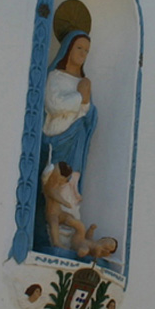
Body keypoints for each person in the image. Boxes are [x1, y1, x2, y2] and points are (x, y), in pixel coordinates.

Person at [38, 31, 99, 250]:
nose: (83, 54)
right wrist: (80, 96)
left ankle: (70, 237)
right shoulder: (56, 76)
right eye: (79, 48)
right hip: (57, 139)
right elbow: (53, 105)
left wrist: (85, 102)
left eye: (87, 51)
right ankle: (51, 237)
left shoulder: (83, 81)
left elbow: (85, 112)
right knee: (54, 183)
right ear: (68, 49)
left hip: (76, 140)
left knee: (71, 185)